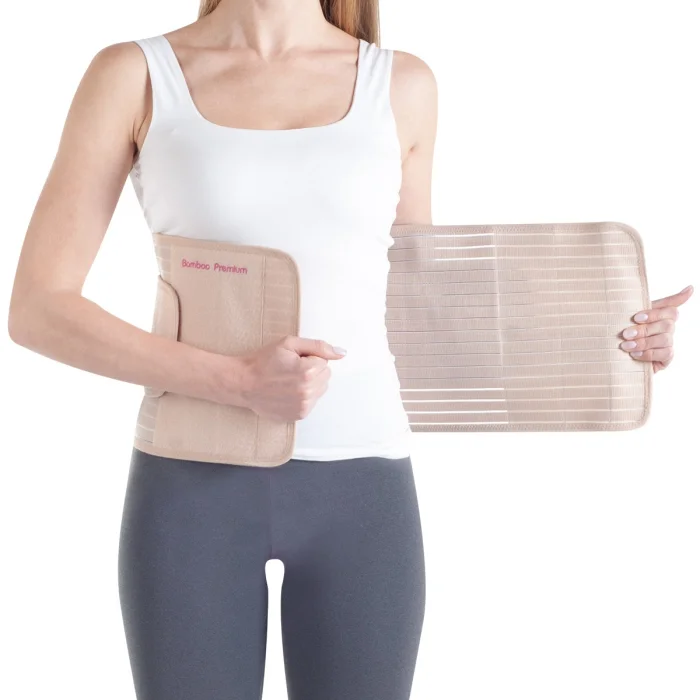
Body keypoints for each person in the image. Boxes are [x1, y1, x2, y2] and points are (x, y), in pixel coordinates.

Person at [6, 1, 692, 699]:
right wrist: (236, 381)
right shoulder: (136, 75)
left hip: (363, 491)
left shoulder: (402, 85)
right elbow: (38, 308)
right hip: (190, 487)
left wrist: (614, 336)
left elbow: (421, 308)